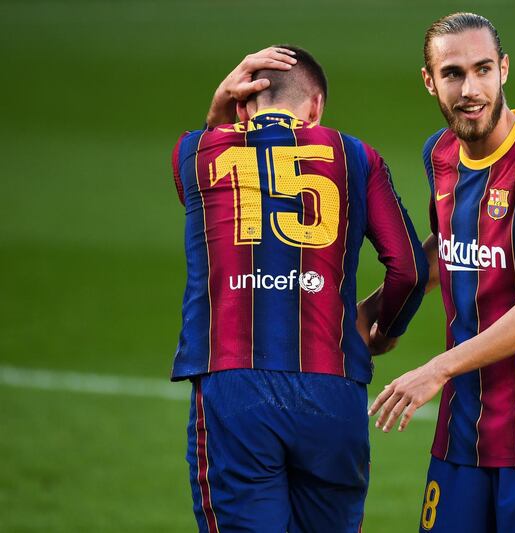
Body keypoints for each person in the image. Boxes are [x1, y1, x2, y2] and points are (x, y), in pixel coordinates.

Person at [170, 45, 428, 533]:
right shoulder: (356, 156)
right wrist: (384, 330)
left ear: (242, 104)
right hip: (332, 390)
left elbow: (194, 196)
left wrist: (216, 110)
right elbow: (410, 270)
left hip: (235, 389)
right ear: (316, 107)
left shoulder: (198, 153)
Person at [364, 12, 515, 533]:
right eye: (452, 73)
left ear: (505, 70)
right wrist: (370, 315)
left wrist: (437, 369)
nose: (470, 89)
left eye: (483, 69)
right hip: (462, 434)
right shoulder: (441, 154)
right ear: (429, 81)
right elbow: (447, 246)